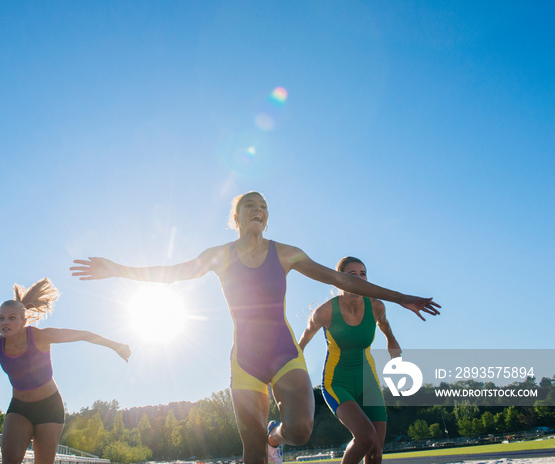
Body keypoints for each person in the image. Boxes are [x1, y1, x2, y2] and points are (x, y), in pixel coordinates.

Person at [70, 191, 440, 464]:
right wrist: (117, 269)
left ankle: (274, 436)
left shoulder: (285, 253)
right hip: (245, 359)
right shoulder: (219, 256)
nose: (258, 211)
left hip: (284, 352)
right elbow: (171, 275)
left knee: (300, 431)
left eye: (264, 207)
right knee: (251, 454)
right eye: (251, 206)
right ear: (237, 217)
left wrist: (399, 296)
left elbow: (337, 277)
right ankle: (264, 444)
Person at [0, 278, 131, 464]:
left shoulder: (41, 337)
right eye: (1, 318)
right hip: (19, 407)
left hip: (49, 408)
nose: (5, 322)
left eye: (12, 318)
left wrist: (115, 345)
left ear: (24, 321)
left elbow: (82, 335)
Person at [297, 257, 406, 464]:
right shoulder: (325, 312)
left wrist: (391, 340)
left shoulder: (376, 307)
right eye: (351, 275)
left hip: (368, 381)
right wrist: (292, 366)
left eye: (363, 273)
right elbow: (303, 340)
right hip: (337, 383)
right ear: (339, 280)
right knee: (366, 437)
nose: (359, 278)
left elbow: (384, 325)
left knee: (376, 451)